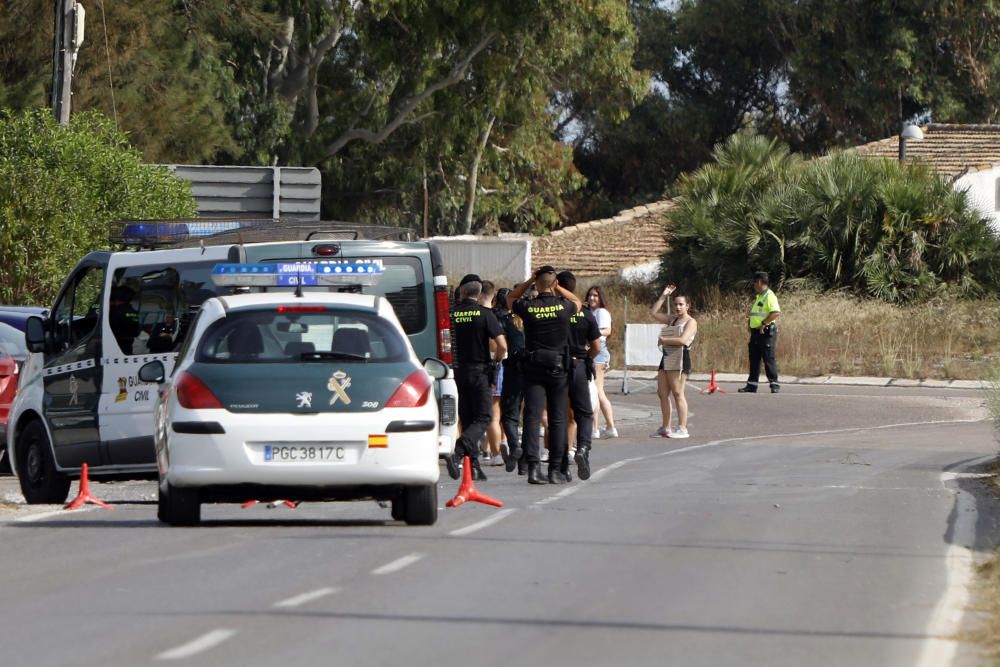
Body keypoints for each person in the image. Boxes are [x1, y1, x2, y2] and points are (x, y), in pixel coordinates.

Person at [506, 266, 582, 484]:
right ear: (555, 283)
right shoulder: (564, 306)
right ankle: (556, 469)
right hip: (558, 368)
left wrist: (530, 279)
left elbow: (511, 297)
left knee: (532, 417)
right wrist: (558, 287)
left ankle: (532, 466)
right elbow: (578, 301)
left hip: (533, 367)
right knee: (558, 419)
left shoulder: (527, 306)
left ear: (537, 284)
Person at [451, 275, 507, 481]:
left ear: (463, 291)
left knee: (466, 418)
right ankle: (460, 447)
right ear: (479, 293)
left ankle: (473, 465)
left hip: (456, 371)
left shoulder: (451, 314)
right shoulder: (485, 314)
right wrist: (496, 361)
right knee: (483, 417)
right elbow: (502, 345)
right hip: (480, 371)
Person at [558, 271, 600, 480]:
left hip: (557, 366)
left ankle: (562, 461)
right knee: (584, 413)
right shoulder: (586, 313)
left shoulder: (556, 310)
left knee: (561, 417)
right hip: (580, 366)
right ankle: (583, 448)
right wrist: (585, 357)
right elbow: (597, 346)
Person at [650, 285, 698, 438]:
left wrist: (664, 339)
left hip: (680, 357)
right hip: (667, 357)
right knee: (662, 393)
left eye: (681, 304)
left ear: (687, 306)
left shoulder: (691, 322)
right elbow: (654, 313)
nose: (677, 307)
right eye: (676, 304)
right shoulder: (673, 319)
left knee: (678, 393)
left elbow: (684, 340)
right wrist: (664, 296)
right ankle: (666, 427)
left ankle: (683, 428)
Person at [739, 271, 781, 394]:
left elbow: (775, 312)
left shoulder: (769, 296)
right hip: (756, 333)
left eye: (754, 283)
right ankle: (752, 385)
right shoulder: (760, 297)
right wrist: (750, 325)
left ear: (759, 282)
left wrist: (764, 324)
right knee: (754, 358)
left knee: (768, 358)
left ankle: (774, 384)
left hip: (766, 332)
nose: (753, 286)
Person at [585, 285, 617, 438]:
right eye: (590, 295)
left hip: (598, 350)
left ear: (600, 298)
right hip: (592, 349)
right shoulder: (590, 312)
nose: (592, 298)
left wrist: (590, 335)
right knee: (598, 391)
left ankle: (595, 428)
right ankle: (609, 427)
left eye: (595, 296)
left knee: (596, 391)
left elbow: (607, 330)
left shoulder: (601, 312)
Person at [108, 286, 141, 355]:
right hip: (128, 347)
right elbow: (137, 332)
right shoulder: (133, 312)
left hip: (114, 348)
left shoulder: (115, 312)